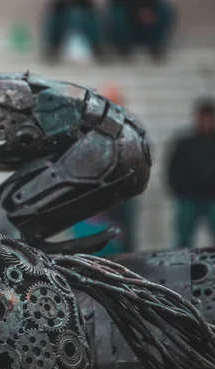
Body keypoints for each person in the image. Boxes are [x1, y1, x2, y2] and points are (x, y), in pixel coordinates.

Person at [166, 97, 215, 248]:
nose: (205, 121)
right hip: (189, 198)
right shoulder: (184, 143)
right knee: (182, 242)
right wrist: (180, 191)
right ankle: (181, 269)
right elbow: (173, 169)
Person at [71, 82, 138, 255]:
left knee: (123, 232)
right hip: (95, 187)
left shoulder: (131, 125)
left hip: (122, 189)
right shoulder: (89, 126)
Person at [108, 0, 176, 60]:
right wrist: (137, 11)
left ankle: (156, 44)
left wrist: (149, 9)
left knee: (165, 11)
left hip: (148, 11)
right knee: (117, 15)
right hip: (127, 12)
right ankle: (122, 46)